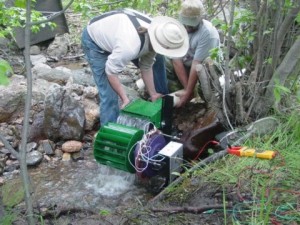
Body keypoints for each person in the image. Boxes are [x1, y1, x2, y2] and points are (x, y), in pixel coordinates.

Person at [81, 9, 188, 126]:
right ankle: (108, 133)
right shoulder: (130, 47)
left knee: (158, 60)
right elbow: (110, 71)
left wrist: (153, 93)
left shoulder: (157, 35)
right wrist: (124, 98)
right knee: (109, 94)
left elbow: (146, 67)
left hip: (119, 36)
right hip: (95, 41)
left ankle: (161, 107)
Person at [167, 0, 221, 107]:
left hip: (204, 68)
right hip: (187, 65)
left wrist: (188, 91)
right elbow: (176, 59)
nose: (187, 28)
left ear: (200, 18)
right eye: (185, 24)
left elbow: (197, 63)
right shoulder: (177, 28)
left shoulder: (207, 32)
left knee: (207, 64)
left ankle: (209, 102)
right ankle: (183, 92)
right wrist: (188, 89)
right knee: (164, 59)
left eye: (191, 25)